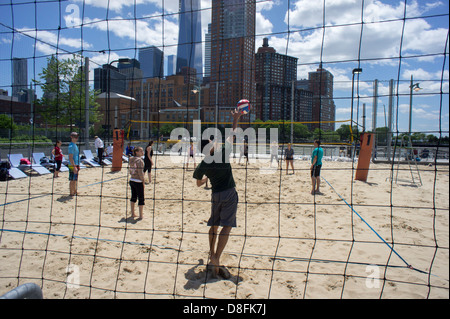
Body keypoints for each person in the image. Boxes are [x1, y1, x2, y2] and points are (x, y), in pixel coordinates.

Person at [193, 109, 242, 278]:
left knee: (213, 225)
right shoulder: (222, 152)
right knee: (227, 226)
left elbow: (198, 183)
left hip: (215, 195)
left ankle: (212, 254)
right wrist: (236, 118)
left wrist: (206, 178)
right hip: (229, 193)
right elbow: (232, 134)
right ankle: (216, 257)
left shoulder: (203, 163)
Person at [129, 147, 145, 220]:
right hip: (138, 181)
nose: (142, 152)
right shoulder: (139, 161)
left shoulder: (131, 159)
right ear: (137, 152)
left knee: (133, 197)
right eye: (141, 151)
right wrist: (143, 181)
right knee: (141, 198)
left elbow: (130, 171)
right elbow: (140, 173)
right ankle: (141, 215)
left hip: (132, 180)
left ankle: (133, 213)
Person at [68, 132, 80, 196]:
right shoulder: (71, 146)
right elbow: (70, 157)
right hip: (72, 165)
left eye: (77, 137)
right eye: (75, 137)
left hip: (76, 164)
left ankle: (75, 191)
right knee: (72, 179)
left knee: (75, 179)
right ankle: (71, 193)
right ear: (71, 137)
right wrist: (74, 166)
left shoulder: (75, 145)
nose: (76, 138)